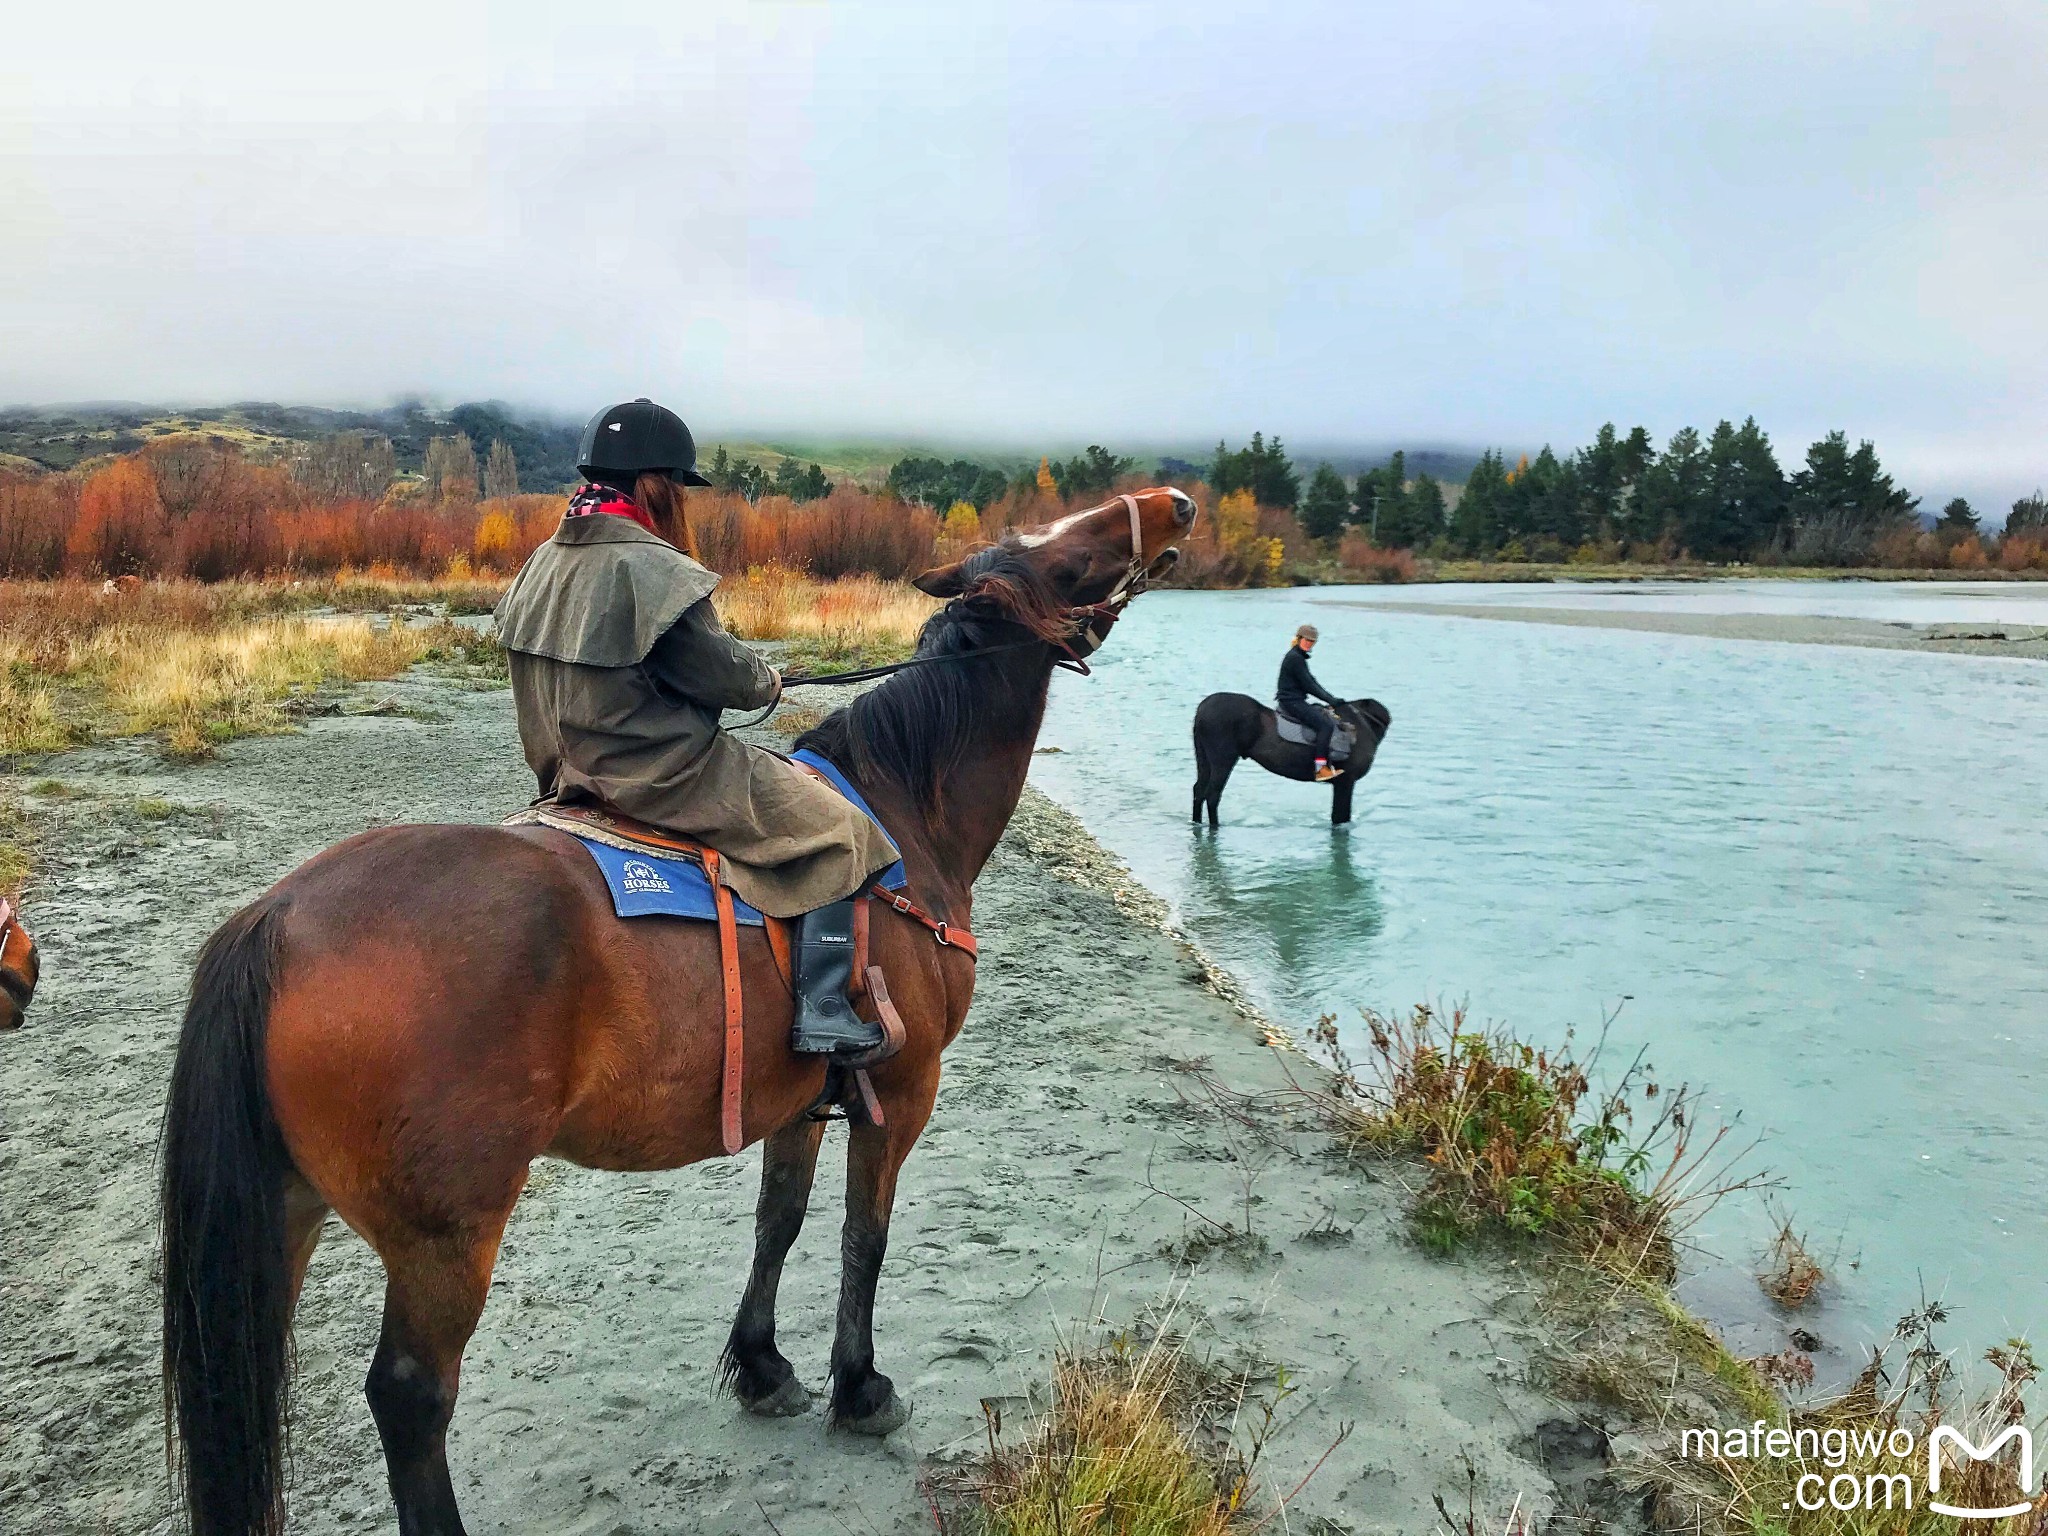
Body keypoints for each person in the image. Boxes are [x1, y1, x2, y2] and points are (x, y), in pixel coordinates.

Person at [494, 398, 901, 1057]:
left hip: (561, 773)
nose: (684, 500)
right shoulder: (653, 568)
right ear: (658, 487)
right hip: (661, 775)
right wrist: (765, 678)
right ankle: (823, 1009)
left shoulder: (540, 562)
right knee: (844, 832)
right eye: (680, 487)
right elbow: (724, 679)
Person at [1276, 623, 1344, 782]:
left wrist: (1330, 698)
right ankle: (1320, 769)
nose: (1309, 644)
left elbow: (1311, 681)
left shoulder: (1297, 656)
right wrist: (1330, 699)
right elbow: (1309, 685)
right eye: (1307, 640)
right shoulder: (1295, 658)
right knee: (1325, 726)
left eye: (1312, 642)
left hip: (1294, 700)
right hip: (1291, 702)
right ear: (1298, 638)